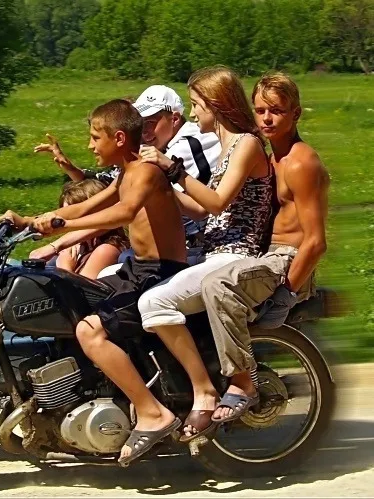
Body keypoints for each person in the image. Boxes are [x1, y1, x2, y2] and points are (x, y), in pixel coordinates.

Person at [0, 99, 189, 466]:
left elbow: (122, 212)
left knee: (90, 332)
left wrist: (63, 226)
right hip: (140, 268)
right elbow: (89, 205)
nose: (89, 146)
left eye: (94, 137)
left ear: (118, 138)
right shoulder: (126, 172)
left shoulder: (145, 171)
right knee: (73, 301)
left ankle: (152, 412)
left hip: (158, 272)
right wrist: (31, 220)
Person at [136, 66, 274, 442]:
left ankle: (206, 392)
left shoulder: (247, 144)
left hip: (235, 254)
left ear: (216, 104)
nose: (193, 113)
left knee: (153, 302)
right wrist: (159, 185)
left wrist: (172, 169)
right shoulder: (229, 147)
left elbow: (216, 203)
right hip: (214, 251)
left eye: (197, 104)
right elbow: (199, 209)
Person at [200, 73, 329, 424]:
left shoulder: (301, 162)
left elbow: (315, 241)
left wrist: (287, 292)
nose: (267, 119)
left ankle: (243, 384)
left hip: (287, 259)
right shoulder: (272, 157)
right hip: (265, 256)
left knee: (217, 285)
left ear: (295, 113)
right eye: (260, 111)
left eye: (277, 111)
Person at [30, 85, 221, 263]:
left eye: (150, 123)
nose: (144, 132)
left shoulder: (182, 149)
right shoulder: (156, 152)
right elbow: (109, 189)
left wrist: (61, 236)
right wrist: (34, 221)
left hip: (195, 245)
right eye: (141, 124)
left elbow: (125, 208)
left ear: (175, 119)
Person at [55, 179, 129, 279]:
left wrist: (65, 268)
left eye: (75, 215)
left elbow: (81, 288)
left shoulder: (106, 250)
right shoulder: (82, 246)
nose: (68, 221)